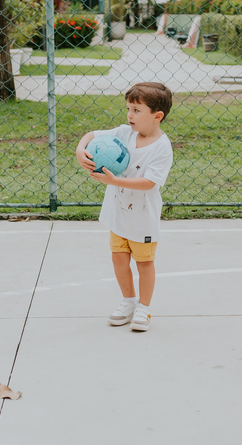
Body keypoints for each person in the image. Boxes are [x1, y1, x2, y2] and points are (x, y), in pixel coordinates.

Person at [75, 82, 175, 333]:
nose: (129, 115)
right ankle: (128, 302)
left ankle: (144, 307)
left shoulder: (161, 147)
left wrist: (114, 181)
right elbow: (92, 135)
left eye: (136, 110)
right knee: (119, 259)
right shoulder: (123, 133)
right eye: (128, 108)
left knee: (144, 263)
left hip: (143, 219)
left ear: (157, 116)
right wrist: (80, 149)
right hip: (118, 214)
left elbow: (150, 182)